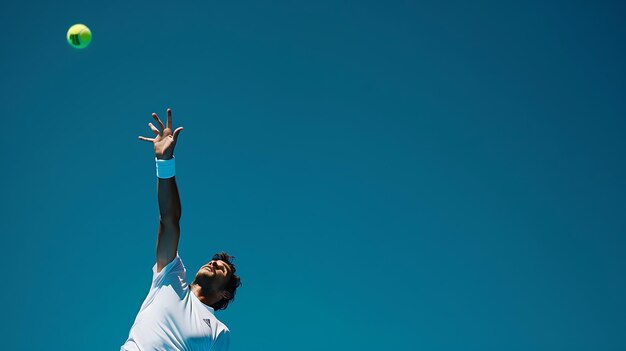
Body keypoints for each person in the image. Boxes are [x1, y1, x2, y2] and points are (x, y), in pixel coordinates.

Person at [121, 108, 242, 351]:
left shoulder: (219, 332)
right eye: (214, 261)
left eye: (222, 269)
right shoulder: (170, 275)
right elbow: (169, 219)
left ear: (225, 295)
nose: (214, 263)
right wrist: (164, 162)